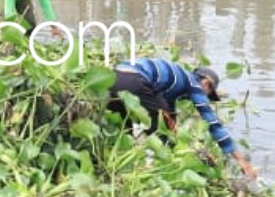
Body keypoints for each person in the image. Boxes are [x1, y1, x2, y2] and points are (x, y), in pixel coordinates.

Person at [107, 57, 258, 178]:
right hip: (135, 79)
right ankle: (162, 169)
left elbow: (169, 116)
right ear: (206, 83)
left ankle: (118, 167)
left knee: (122, 126)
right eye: (208, 93)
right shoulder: (194, 83)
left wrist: (197, 148)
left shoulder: (175, 84)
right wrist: (241, 160)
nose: (205, 96)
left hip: (113, 77)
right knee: (163, 130)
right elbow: (212, 122)